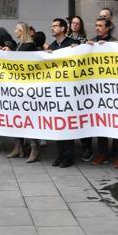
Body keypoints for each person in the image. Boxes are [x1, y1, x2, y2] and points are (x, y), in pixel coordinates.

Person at [90, 17, 118, 168]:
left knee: (116, 124)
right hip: (98, 91)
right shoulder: (92, 42)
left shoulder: (115, 42)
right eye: (96, 25)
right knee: (100, 123)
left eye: (100, 26)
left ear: (108, 28)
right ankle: (102, 153)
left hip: (112, 90)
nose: (97, 28)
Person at [7, 22, 39, 161]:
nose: (15, 31)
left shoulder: (30, 45)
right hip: (18, 87)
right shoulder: (19, 45)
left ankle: (34, 148)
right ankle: (18, 146)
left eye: (18, 29)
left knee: (28, 118)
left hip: (27, 88)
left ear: (23, 31)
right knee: (18, 117)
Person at [48, 18, 77, 167]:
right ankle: (60, 154)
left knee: (67, 124)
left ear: (63, 28)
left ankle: (68, 156)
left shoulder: (72, 44)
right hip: (56, 91)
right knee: (58, 124)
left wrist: (78, 49)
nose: (52, 28)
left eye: (55, 26)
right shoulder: (52, 46)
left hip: (69, 91)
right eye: (52, 26)